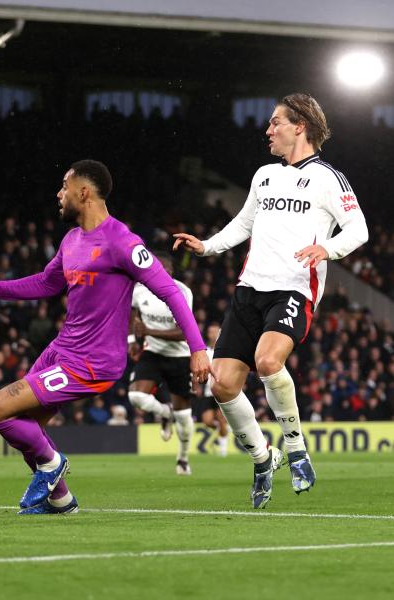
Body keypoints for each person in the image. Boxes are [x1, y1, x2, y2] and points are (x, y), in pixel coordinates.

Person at [0, 160, 209, 515]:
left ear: (84, 192)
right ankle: (62, 501)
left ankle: (53, 464)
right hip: (62, 349)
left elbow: (169, 291)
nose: (59, 194)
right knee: (28, 429)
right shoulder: (72, 240)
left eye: (64, 186)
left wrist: (197, 348)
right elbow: (45, 284)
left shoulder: (122, 241)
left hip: (93, 362)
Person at [173, 93, 368, 508]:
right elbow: (244, 223)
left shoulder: (328, 179)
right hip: (250, 290)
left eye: (276, 122)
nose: (268, 130)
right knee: (221, 383)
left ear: (300, 127)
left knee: (267, 362)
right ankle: (264, 458)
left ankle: (296, 448)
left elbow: (358, 229)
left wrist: (327, 250)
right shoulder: (264, 175)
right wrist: (205, 247)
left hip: (293, 287)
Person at [127, 252, 196, 475]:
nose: (159, 275)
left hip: (180, 357)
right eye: (156, 270)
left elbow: (185, 332)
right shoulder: (140, 291)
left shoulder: (182, 292)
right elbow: (131, 311)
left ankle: (183, 458)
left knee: (184, 417)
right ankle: (165, 413)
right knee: (135, 396)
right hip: (153, 353)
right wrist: (131, 340)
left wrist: (148, 330)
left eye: (165, 271)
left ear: (172, 273)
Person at [196, 323, 230, 457]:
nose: (213, 334)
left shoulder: (226, 351)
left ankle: (223, 449)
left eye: (215, 332)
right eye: (210, 332)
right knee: (207, 421)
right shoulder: (204, 352)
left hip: (222, 390)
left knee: (221, 419)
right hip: (208, 392)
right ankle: (222, 430)